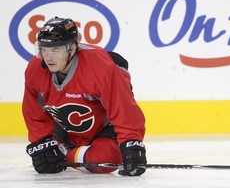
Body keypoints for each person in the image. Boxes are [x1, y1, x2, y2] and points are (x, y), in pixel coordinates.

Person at [22, 16, 147, 176]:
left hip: (104, 130)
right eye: (44, 49)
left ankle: (66, 153)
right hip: (65, 130)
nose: (48, 57)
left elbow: (122, 107)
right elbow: (34, 112)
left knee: (107, 160)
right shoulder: (35, 69)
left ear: (72, 48)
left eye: (55, 50)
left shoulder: (99, 66)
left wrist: (131, 142)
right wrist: (41, 142)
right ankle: (68, 150)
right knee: (48, 160)